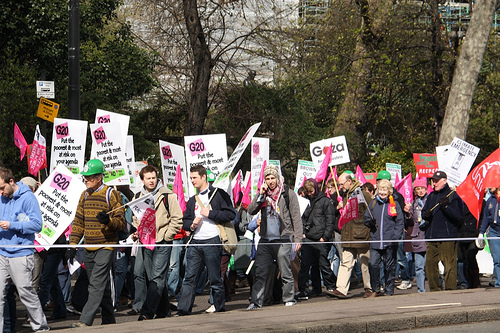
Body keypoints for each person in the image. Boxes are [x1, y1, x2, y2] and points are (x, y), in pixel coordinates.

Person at [66, 159, 125, 327]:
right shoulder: (84, 195)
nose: (86, 180)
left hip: (106, 245)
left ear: (99, 177)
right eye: (85, 177)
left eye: (89, 177)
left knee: (96, 285)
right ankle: (109, 319)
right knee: (99, 285)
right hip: (88, 247)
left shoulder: (111, 194)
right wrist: (73, 245)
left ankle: (85, 320)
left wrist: (108, 221)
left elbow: (120, 222)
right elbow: (78, 222)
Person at [177, 165, 235, 315]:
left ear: (204, 177)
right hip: (195, 242)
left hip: (212, 241)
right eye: (190, 178)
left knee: (215, 277)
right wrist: (191, 225)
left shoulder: (219, 194)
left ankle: (218, 306)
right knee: (189, 277)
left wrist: (211, 213)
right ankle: (183, 310)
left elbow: (230, 214)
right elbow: (185, 221)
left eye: (194, 177)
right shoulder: (192, 200)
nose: (192, 181)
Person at [0, 167, 50, 332]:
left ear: (11, 182)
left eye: (2, 188)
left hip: (21, 253)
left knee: (25, 292)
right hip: (2, 252)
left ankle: (41, 327)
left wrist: (12, 225)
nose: (1, 192)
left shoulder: (28, 198)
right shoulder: (2, 197)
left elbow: (37, 225)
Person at [247, 165, 302, 310]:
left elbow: (296, 217)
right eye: (267, 178)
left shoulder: (288, 194)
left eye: (272, 178)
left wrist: (298, 239)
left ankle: (289, 298)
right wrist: (260, 195)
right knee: (260, 271)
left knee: (285, 270)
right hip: (265, 239)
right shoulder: (263, 195)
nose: (270, 181)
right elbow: (251, 210)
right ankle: (256, 301)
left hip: (283, 238)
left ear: (278, 178)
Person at [132, 165, 183, 320]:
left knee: (157, 278)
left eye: (154, 178)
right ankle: (164, 310)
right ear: (142, 180)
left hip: (162, 241)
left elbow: (177, 218)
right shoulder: (137, 197)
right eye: (148, 178)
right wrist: (139, 230)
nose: (152, 181)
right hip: (146, 242)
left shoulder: (168, 195)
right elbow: (135, 218)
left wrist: (167, 236)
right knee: (153, 279)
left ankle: (147, 312)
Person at [326, 172, 374, 299]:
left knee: (364, 263)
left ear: (350, 182)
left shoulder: (362, 194)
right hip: (348, 234)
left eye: (342, 184)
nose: (340, 186)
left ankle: (370, 287)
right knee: (346, 262)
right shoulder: (346, 195)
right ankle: (341, 289)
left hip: (361, 234)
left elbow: (372, 211)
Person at [421, 171, 463, 291]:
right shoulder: (431, 196)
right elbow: (424, 213)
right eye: (433, 181)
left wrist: (446, 207)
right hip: (432, 236)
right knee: (429, 265)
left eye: (436, 181)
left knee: (449, 265)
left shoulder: (453, 195)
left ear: (444, 180)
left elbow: (458, 217)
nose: (434, 183)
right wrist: (426, 214)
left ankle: (450, 289)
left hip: (447, 236)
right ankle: (435, 289)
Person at [297, 179, 336, 299]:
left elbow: (330, 220)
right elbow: (301, 218)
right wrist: (302, 232)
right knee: (306, 265)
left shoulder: (325, 201)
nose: (310, 194)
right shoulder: (305, 202)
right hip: (308, 237)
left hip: (320, 238)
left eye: (311, 191)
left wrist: (325, 237)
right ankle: (307, 289)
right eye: (308, 192)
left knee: (323, 264)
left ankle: (331, 286)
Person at [365, 179, 404, 296]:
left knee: (389, 266)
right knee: (373, 264)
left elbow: (399, 222)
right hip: (375, 240)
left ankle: (389, 289)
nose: (382, 193)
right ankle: (375, 288)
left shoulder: (394, 204)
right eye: (380, 190)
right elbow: (366, 218)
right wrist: (369, 222)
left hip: (389, 241)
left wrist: (395, 237)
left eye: (385, 190)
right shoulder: (373, 203)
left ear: (389, 191)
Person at [403, 178, 428, 293]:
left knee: (432, 266)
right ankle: (421, 290)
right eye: (417, 189)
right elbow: (410, 222)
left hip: (429, 236)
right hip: (417, 237)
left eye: (422, 188)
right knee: (419, 266)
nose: (420, 191)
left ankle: (437, 287)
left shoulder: (430, 200)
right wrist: (407, 213)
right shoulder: (414, 203)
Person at [479, 187, 500, 287]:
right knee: (497, 259)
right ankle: (498, 283)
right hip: (493, 231)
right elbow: (486, 217)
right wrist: (481, 232)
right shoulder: (491, 200)